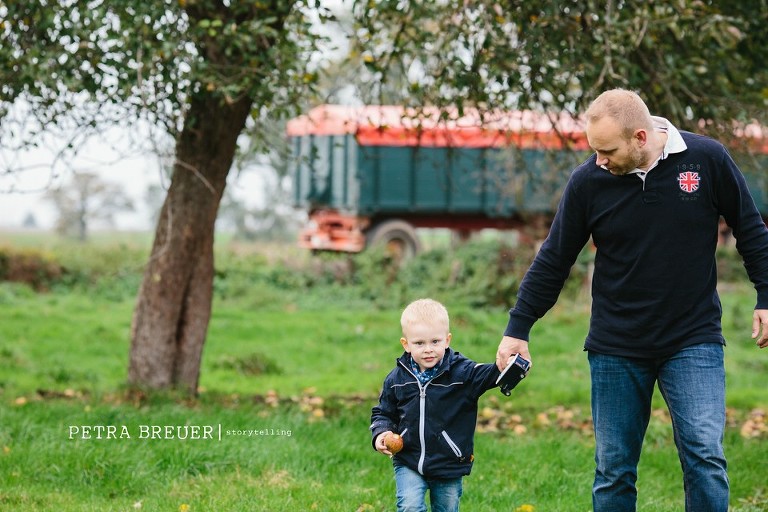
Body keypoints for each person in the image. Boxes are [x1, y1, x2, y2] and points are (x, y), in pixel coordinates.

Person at [495, 88, 768, 512]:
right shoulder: (589, 181)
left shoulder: (707, 159)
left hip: (692, 339)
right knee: (614, 469)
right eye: (594, 150)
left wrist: (765, 294)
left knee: (705, 457)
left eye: (607, 150)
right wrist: (518, 327)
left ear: (640, 137)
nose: (599, 160)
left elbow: (750, 229)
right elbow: (555, 258)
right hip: (616, 346)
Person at [371, 298, 505, 512]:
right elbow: (383, 412)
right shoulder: (397, 379)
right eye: (419, 343)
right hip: (409, 459)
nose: (428, 350)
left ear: (447, 340)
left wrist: (509, 364)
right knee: (409, 507)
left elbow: (491, 374)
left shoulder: (462, 374)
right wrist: (381, 433)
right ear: (405, 344)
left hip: (449, 461)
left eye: (435, 341)